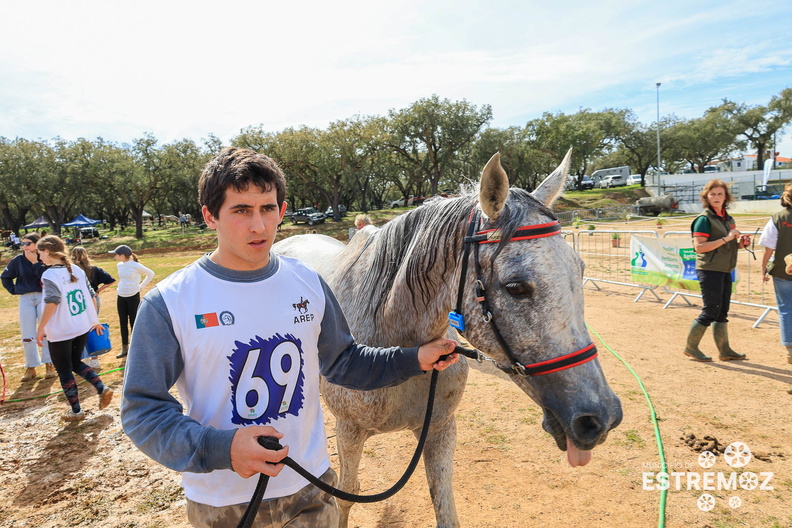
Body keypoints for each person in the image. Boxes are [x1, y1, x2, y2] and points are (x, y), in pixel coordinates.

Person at [120, 147, 458, 527]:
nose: (259, 227)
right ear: (209, 216)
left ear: (282, 211)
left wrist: (413, 358)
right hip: (224, 503)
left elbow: (343, 362)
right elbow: (142, 410)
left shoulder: (309, 283)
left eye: (267, 208)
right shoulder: (169, 302)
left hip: (311, 490)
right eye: (241, 210)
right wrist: (222, 448)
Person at [35, 236, 114, 421]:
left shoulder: (49, 274)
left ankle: (76, 411)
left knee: (63, 369)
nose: (40, 258)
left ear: (47, 251)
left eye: (40, 254)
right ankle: (102, 387)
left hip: (61, 329)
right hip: (80, 326)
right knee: (75, 362)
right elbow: (92, 295)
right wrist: (93, 319)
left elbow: (52, 302)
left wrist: (41, 327)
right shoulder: (77, 269)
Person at [685, 179, 750, 362]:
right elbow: (699, 247)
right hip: (709, 269)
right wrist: (727, 238)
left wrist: (741, 244)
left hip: (724, 269)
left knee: (722, 311)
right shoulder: (704, 220)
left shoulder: (728, 219)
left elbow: (728, 245)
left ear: (725, 197)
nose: (716, 197)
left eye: (720, 194)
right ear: (706, 197)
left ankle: (725, 350)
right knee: (711, 310)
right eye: (712, 194)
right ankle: (691, 347)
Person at [1, 233, 56, 381]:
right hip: (25, 298)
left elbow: (47, 277)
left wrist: (35, 263)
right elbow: (5, 277)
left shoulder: (44, 258)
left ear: (37, 245)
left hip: (42, 296)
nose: (24, 246)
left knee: (45, 330)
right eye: (23, 243)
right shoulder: (18, 260)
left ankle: (49, 363)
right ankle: (30, 366)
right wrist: (14, 290)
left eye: (28, 243)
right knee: (27, 333)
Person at [759, 183, 792, 365]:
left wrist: (763, 268)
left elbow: (769, 247)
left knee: (787, 310)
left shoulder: (778, 218)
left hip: (782, 271)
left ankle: (790, 350)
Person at [71, 246, 116, 368]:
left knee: (80, 329)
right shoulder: (93, 269)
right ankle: (94, 358)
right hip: (93, 299)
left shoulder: (72, 270)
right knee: (93, 326)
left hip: (77, 300)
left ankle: (83, 357)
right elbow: (111, 280)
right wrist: (98, 290)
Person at [109, 244, 154, 358]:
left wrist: (140, 287)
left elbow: (150, 274)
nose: (115, 257)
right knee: (122, 322)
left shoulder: (135, 265)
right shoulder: (119, 265)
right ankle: (125, 347)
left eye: (116, 254)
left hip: (133, 296)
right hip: (121, 295)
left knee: (134, 321)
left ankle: (137, 347)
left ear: (122, 255)